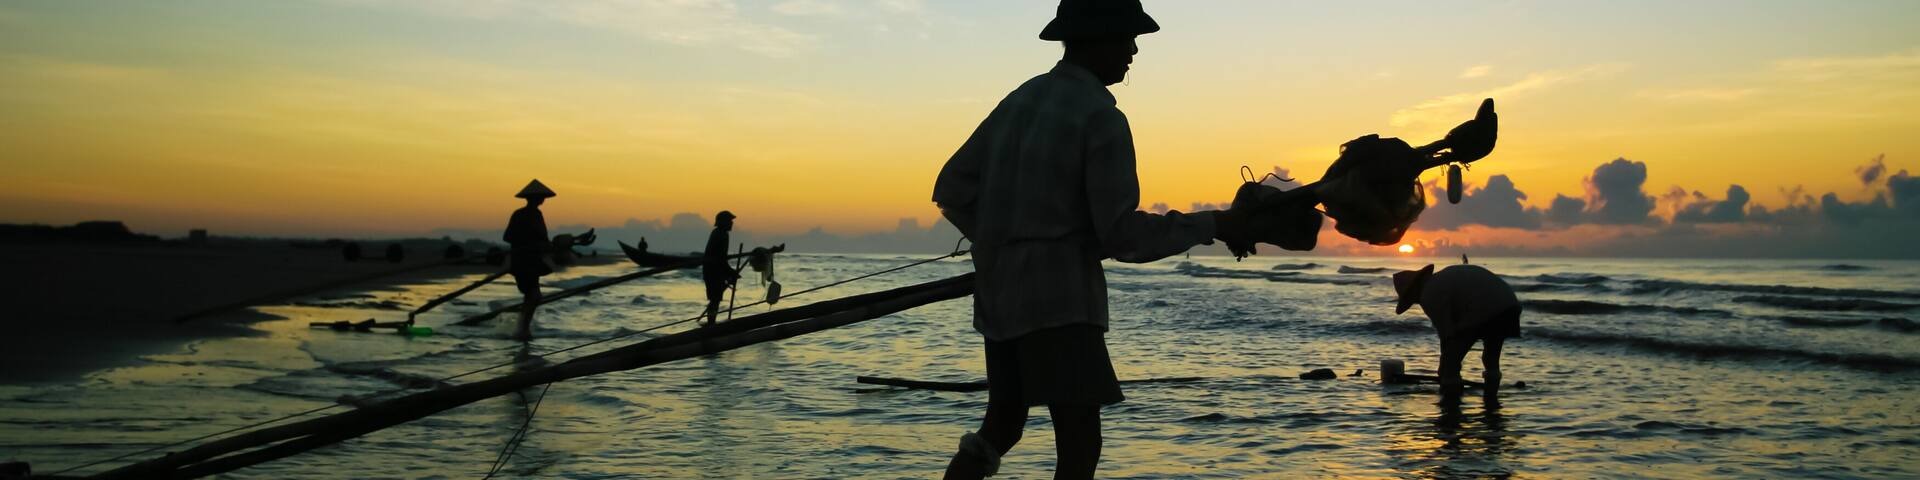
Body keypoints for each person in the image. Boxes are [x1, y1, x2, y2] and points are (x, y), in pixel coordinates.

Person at [930, 1, 1296, 477]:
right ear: (1096, 40)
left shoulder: (1019, 100)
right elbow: (1123, 237)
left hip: (999, 297)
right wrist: (1215, 224)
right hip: (1060, 305)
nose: (1133, 51)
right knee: (1080, 442)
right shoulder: (1100, 117)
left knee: (1002, 426)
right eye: (1127, 39)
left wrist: (998, 241)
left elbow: (952, 190)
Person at [1392, 263, 1521, 403]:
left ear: (1413, 291)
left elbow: (1447, 334)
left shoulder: (1429, 293)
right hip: (1509, 305)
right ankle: (1491, 398)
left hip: (1483, 310)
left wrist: (1444, 365)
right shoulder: (1441, 278)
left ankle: (1451, 404)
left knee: (1450, 364)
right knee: (1491, 358)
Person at [503, 179, 555, 341]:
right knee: (533, 295)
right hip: (524, 260)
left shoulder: (533, 214)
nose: (543, 199)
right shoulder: (524, 214)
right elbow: (508, 237)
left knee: (532, 296)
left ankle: (523, 328)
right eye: (540, 197)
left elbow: (542, 239)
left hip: (531, 260)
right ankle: (523, 329)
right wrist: (529, 242)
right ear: (534, 198)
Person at [702, 210, 741, 326]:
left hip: (713, 270)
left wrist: (729, 273)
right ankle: (711, 324)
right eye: (729, 221)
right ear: (723, 222)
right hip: (713, 271)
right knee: (715, 299)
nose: (731, 223)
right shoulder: (721, 235)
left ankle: (711, 323)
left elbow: (721, 259)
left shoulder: (718, 233)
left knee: (715, 299)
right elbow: (720, 259)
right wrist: (731, 273)